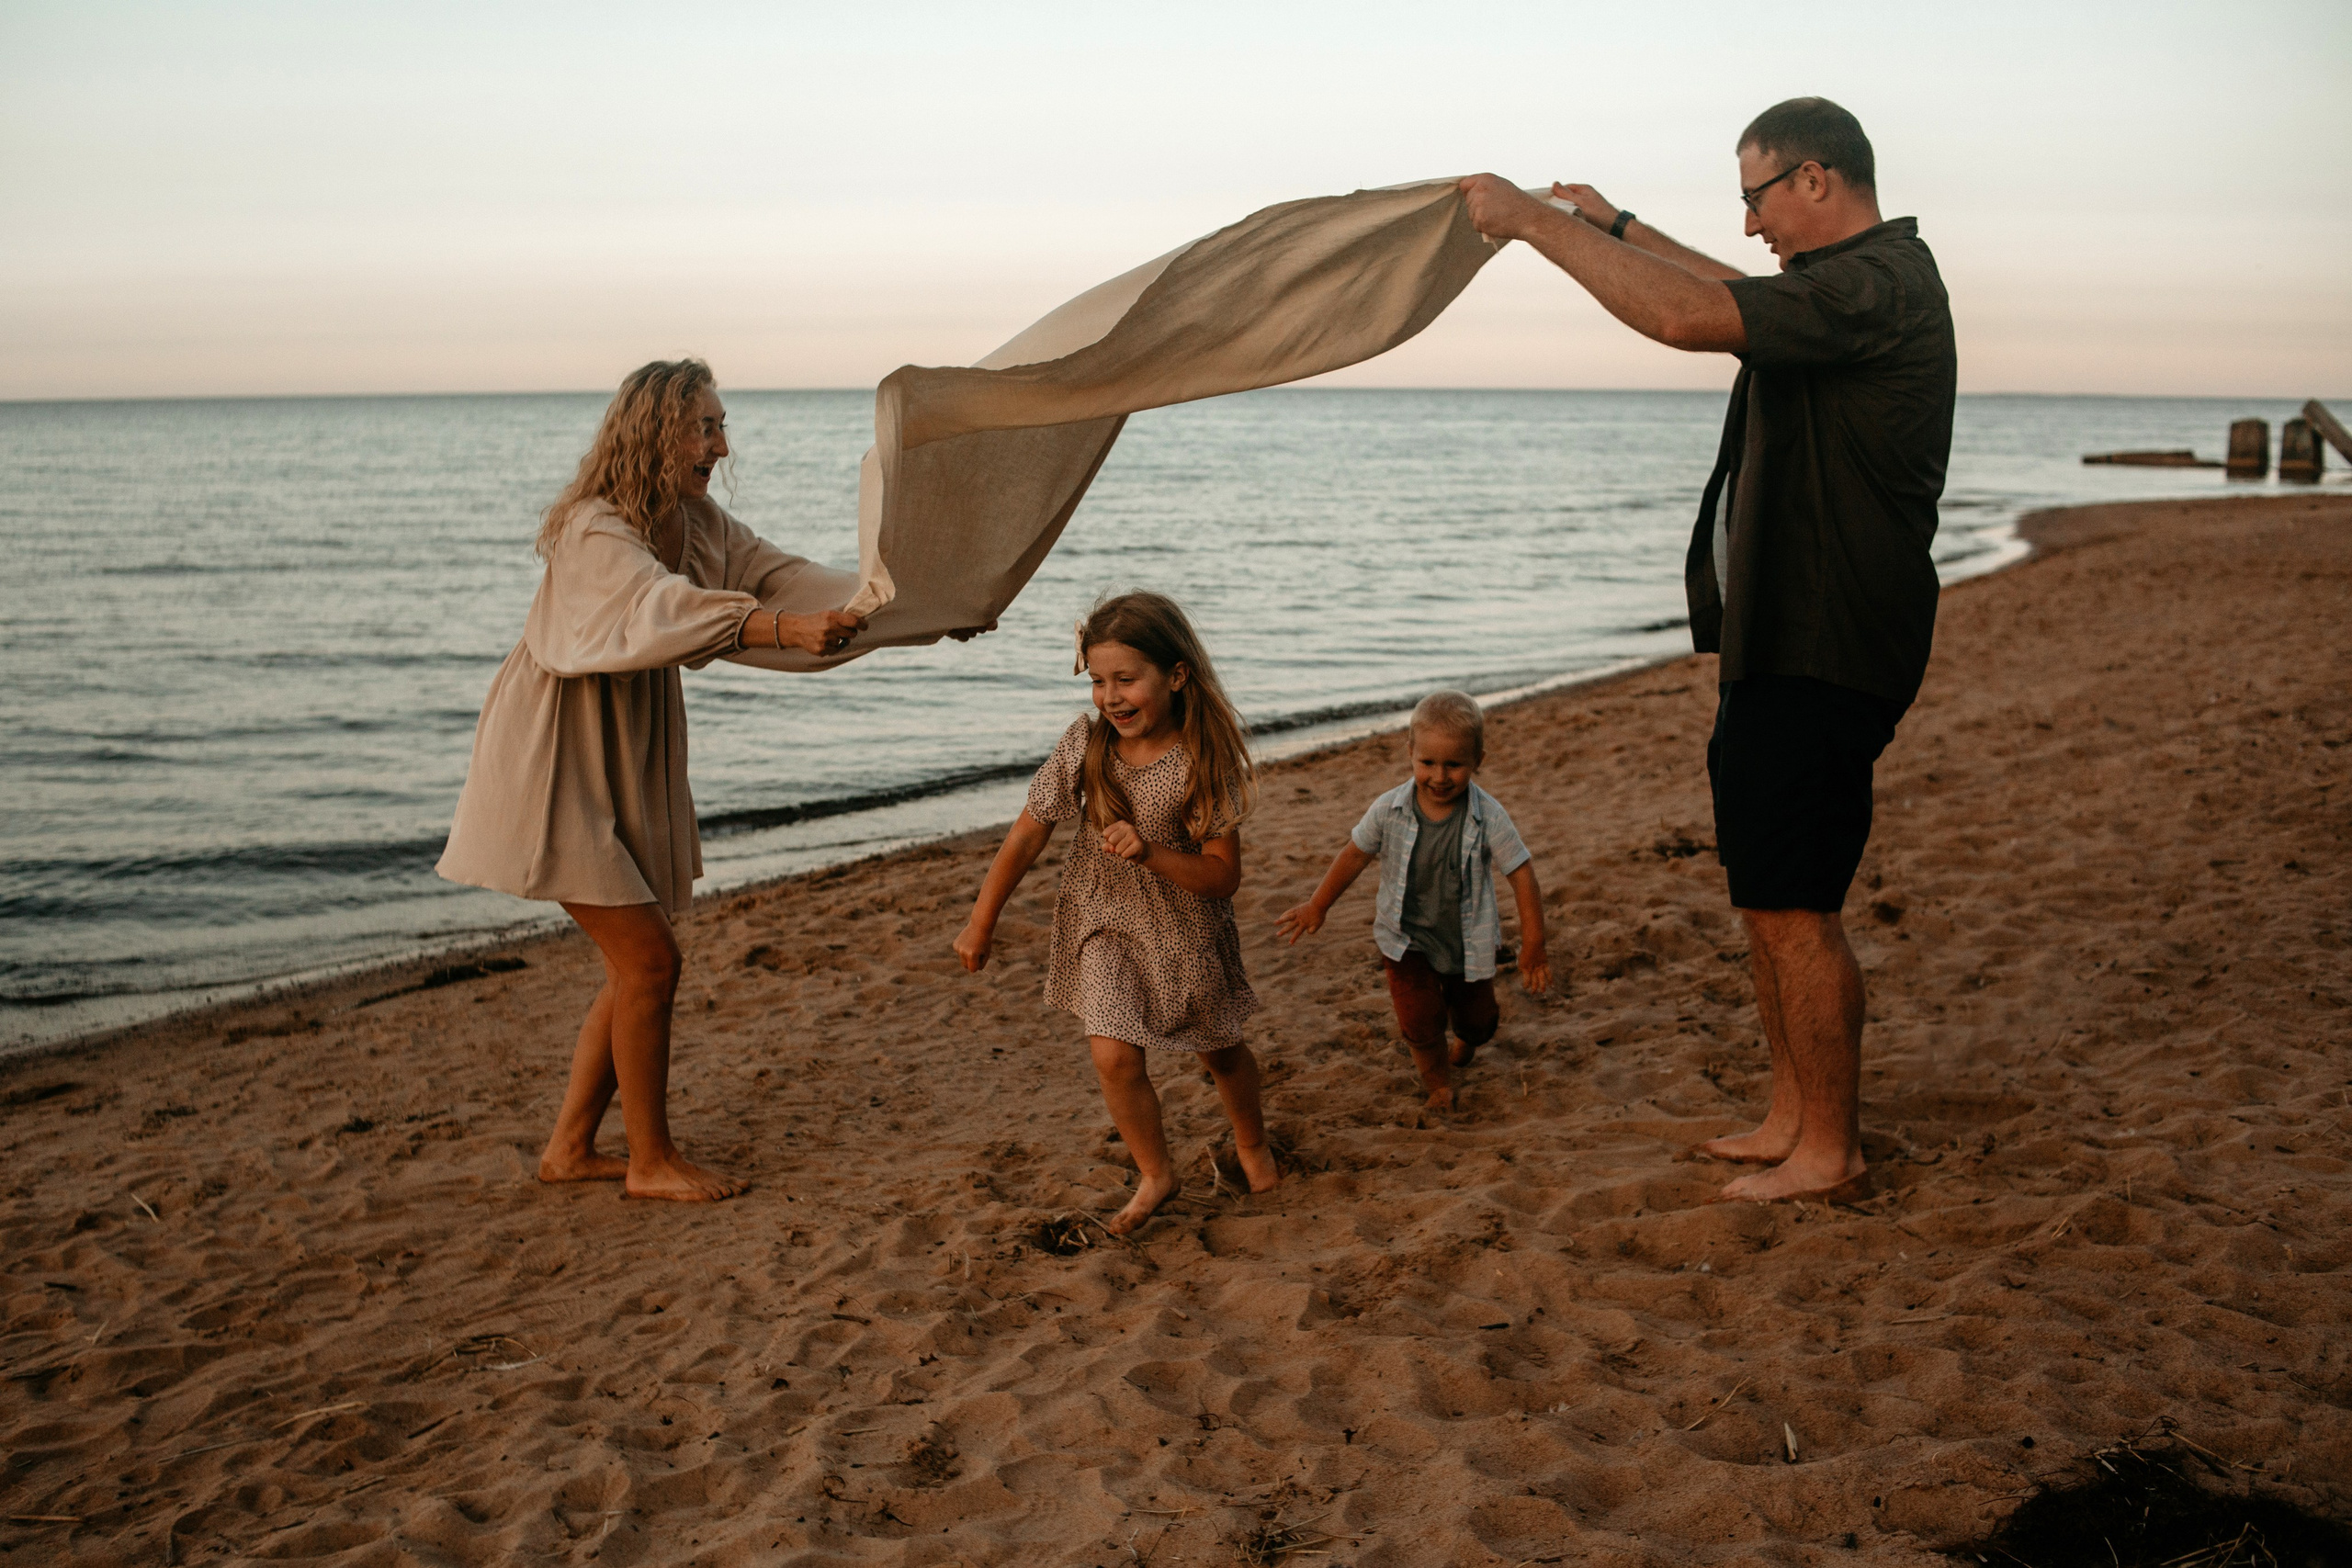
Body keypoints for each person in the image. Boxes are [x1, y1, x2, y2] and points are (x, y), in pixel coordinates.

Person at [1457, 97, 1956, 1202]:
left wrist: (1541, 231)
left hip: (1826, 646)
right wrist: (1619, 226)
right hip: (1780, 639)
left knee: (1796, 906)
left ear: (1814, 180)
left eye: (1755, 197)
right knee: (1765, 896)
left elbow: (1694, 319)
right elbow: (1731, 296)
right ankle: (1792, 1115)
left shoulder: (1880, 285)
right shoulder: (1841, 288)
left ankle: (1831, 1147)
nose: (1749, 225)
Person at [436, 358, 866, 1202]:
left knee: (636, 963)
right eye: (703, 425)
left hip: (619, 747)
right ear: (653, 429)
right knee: (650, 963)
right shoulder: (595, 528)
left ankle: (568, 1148)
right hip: (556, 756)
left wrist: (901, 609)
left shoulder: (696, 520)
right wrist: (776, 625)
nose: (719, 442)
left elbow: (782, 578)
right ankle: (649, 1160)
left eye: (721, 425)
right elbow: (655, 609)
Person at [953, 591, 1275, 1235]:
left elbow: (1223, 877)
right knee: (1113, 1055)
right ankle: (1156, 1171)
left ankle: (1251, 1143)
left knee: (1222, 1052)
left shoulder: (1201, 763)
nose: (1110, 696)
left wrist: (1151, 850)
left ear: (1176, 675)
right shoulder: (1085, 743)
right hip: (1104, 924)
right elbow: (1027, 833)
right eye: (1099, 680)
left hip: (1185, 931)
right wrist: (981, 918)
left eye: (1127, 679)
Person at [1276, 691, 1551, 1111]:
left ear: (1478, 759)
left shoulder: (1489, 816)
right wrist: (1319, 904)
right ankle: (1438, 1082)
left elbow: (1522, 873)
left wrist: (1534, 943)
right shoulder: (1389, 809)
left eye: (1454, 765)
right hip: (1406, 940)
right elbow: (1354, 854)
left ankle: (1466, 1039)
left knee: (1480, 1023)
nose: (1439, 776)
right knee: (1419, 1021)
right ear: (1410, 754)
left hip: (1466, 941)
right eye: (1427, 763)